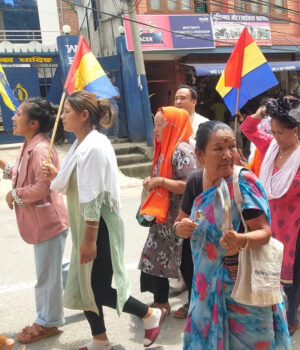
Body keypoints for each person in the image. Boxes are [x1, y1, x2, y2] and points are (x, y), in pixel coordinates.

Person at [41, 91, 165, 350]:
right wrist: (57, 173)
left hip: (97, 226)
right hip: (86, 225)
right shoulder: (81, 144)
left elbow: (93, 197)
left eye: (66, 111)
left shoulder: (93, 147)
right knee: (87, 285)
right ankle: (100, 339)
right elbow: (76, 184)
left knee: (96, 288)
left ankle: (149, 314)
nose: (61, 116)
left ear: (83, 115)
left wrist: (89, 240)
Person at [174, 121, 291, 349]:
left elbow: (265, 233)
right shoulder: (196, 182)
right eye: (219, 148)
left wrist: (242, 240)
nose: (228, 155)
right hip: (206, 288)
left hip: (244, 289)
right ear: (200, 154)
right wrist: (180, 228)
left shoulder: (243, 182)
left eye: (232, 146)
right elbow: (180, 221)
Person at [241, 97, 300, 335]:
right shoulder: (269, 146)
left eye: (281, 132)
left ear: (295, 130)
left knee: (292, 274)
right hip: (274, 220)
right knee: (277, 268)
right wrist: (264, 111)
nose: (276, 136)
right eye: (273, 131)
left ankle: (290, 318)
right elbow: (247, 128)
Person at [0, 98, 69, 344]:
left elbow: (44, 185)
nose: (13, 117)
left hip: (48, 220)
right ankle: (90, 288)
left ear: (33, 123)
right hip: (40, 219)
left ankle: (48, 321)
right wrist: (2, 166)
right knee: (57, 268)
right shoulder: (29, 143)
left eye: (18, 114)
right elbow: (20, 173)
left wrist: (14, 195)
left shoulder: (41, 148)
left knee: (47, 275)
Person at [138, 107, 197, 314]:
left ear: (172, 125)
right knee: (155, 256)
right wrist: (152, 181)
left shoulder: (182, 150)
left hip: (179, 216)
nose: (156, 128)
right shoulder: (164, 147)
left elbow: (191, 183)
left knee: (185, 261)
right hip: (163, 217)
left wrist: (161, 181)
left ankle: (194, 301)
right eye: (155, 123)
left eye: (160, 124)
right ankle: (161, 301)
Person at [173, 84, 209, 307]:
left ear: (194, 102)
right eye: (176, 98)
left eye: (183, 98)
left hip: (199, 187)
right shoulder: (173, 124)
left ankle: (197, 297)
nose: (178, 102)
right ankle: (189, 287)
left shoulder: (202, 125)